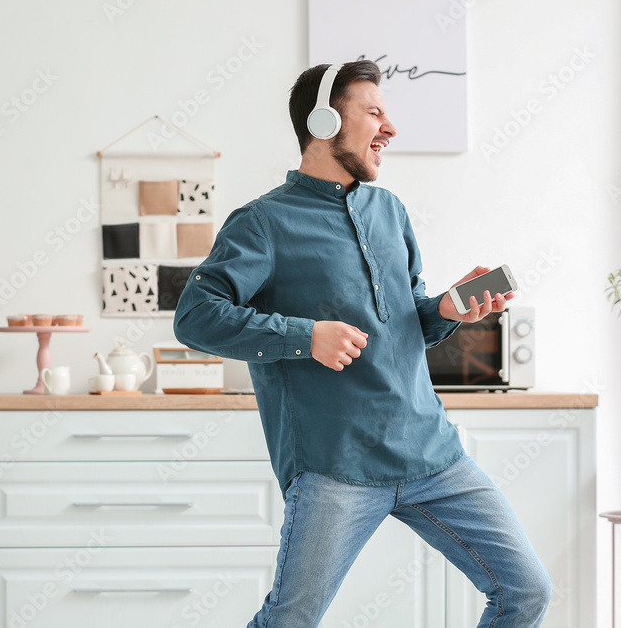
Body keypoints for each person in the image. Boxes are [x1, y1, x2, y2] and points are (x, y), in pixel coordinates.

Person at [172, 60, 551, 628]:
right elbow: (195, 317)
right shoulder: (262, 223)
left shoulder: (390, 211)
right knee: (290, 621)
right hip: (334, 466)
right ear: (324, 120)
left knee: (527, 593)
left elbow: (406, 319)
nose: (390, 127)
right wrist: (305, 336)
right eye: (374, 111)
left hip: (432, 454)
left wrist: (447, 308)